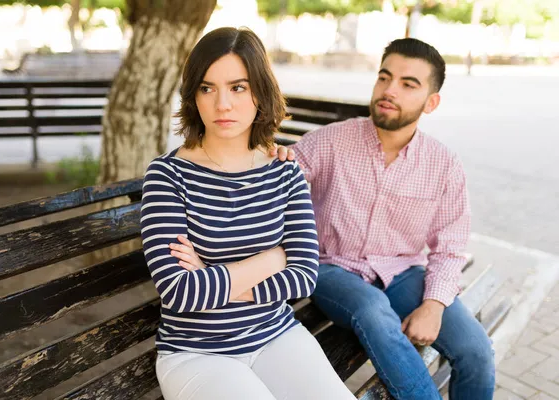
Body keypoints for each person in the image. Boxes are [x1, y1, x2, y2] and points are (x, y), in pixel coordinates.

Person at [273, 38, 495, 399]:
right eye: (384, 77)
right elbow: (276, 179)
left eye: (409, 84)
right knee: (374, 310)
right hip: (330, 267)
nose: (389, 91)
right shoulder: (330, 141)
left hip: (402, 270)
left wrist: (433, 306)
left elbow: (450, 246)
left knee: (476, 351)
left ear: (431, 102)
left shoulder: (444, 165)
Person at [140, 27, 355, 400]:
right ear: (193, 95)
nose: (222, 104)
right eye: (208, 88)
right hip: (197, 353)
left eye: (238, 87)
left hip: (276, 336)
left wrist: (213, 278)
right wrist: (273, 258)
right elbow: (180, 292)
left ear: (260, 92)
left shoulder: (285, 170)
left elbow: (304, 276)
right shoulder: (167, 175)